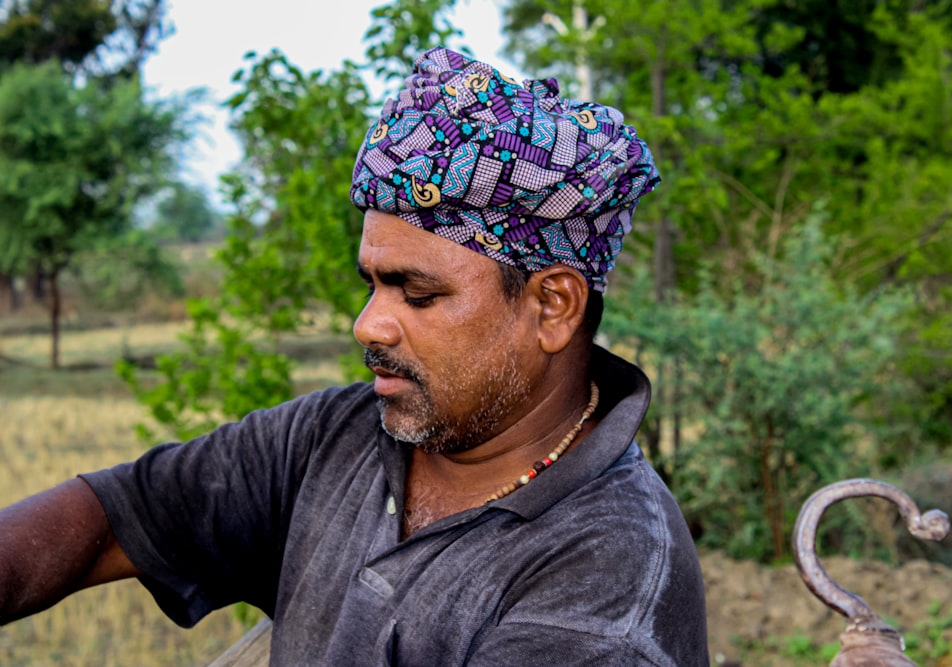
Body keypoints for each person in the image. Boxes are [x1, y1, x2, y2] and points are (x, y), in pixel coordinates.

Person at [0, 48, 709, 665]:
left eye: (418, 293)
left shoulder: (607, 581)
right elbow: (116, 515)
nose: (367, 324)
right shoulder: (337, 436)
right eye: (372, 283)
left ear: (552, 305)